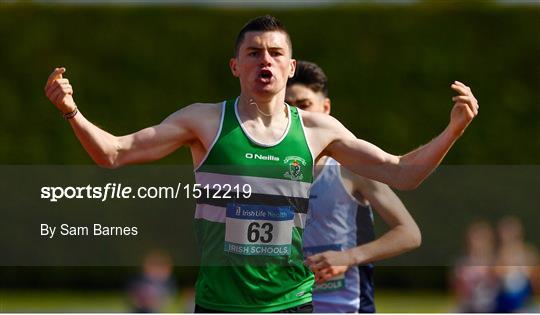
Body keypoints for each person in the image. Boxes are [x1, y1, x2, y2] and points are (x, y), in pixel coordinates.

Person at [44, 15, 478, 313]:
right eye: (253, 53)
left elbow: (403, 172)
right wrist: (71, 112)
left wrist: (452, 130)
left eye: (274, 53)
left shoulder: (318, 131)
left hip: (291, 302)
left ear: (290, 67)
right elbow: (113, 153)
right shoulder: (204, 121)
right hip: (219, 302)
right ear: (236, 66)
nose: (264, 60)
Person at [285, 60, 422, 313]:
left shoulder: (351, 170)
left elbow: (409, 233)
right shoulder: (274, 173)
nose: (299, 117)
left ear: (326, 109)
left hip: (349, 307)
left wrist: (348, 258)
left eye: (304, 106)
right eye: (289, 109)